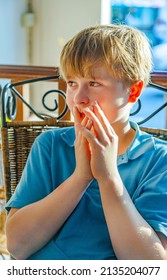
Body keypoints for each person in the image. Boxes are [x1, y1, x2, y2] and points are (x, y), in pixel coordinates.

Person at [5, 24, 167, 260]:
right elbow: (17, 246)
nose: (78, 99)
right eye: (72, 83)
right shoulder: (50, 146)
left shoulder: (158, 161)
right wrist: (81, 177)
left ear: (133, 90)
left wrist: (108, 176)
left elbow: (150, 266)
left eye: (94, 83)